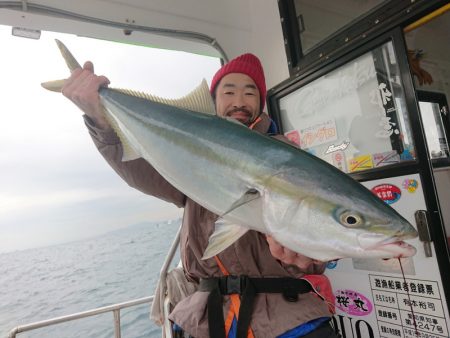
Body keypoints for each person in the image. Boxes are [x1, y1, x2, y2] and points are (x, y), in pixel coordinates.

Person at [62, 53, 339, 338]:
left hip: (288, 318)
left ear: (261, 101)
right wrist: (99, 118)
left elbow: (318, 235)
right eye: (229, 91)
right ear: (213, 101)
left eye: (250, 91)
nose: (239, 101)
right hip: (210, 319)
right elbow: (137, 168)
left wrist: (306, 258)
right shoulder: (185, 157)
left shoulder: (287, 157)